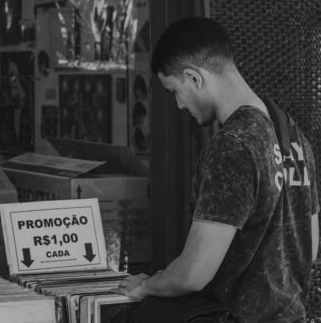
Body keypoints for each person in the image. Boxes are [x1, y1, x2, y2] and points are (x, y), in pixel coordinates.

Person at [116, 17, 320, 323]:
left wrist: (145, 286)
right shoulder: (294, 135)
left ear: (194, 78)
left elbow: (193, 274)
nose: (179, 106)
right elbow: (311, 245)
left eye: (174, 91)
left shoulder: (232, 144)